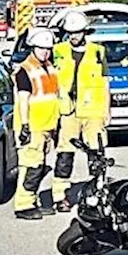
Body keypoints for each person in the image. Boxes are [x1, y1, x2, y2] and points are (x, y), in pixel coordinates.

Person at [52, 12, 111, 211]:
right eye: (70, 32)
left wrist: (106, 110)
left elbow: (104, 83)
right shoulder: (58, 50)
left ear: (85, 31)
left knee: (96, 154)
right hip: (68, 110)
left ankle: (96, 193)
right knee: (65, 153)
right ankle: (60, 196)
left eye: (77, 32)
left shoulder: (98, 52)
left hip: (93, 110)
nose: (73, 36)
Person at [13, 27, 62, 220]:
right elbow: (24, 99)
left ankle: (32, 201)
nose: (45, 52)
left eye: (48, 48)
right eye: (41, 48)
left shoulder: (49, 67)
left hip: (47, 126)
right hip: (32, 127)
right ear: (33, 47)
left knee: (39, 166)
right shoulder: (25, 70)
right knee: (31, 167)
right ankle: (24, 205)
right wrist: (25, 125)